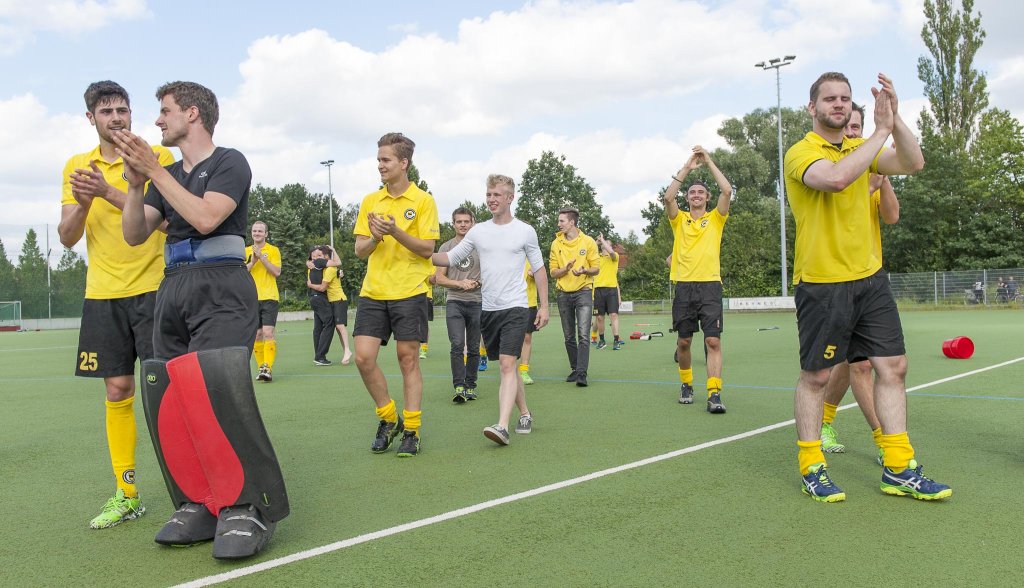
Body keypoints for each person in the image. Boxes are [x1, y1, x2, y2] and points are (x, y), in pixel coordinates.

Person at [118, 81, 288, 558]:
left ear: (192, 113)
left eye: (165, 110)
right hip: (174, 286)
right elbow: (134, 233)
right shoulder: (167, 175)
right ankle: (200, 500)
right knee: (173, 397)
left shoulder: (230, 162)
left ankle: (248, 506)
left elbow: (208, 218)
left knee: (216, 392)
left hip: (222, 285)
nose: (157, 120)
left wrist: (155, 170)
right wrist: (136, 184)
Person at [785, 71, 950, 503]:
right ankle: (812, 466)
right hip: (823, 283)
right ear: (812, 107)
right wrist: (878, 133)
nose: (839, 104)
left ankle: (898, 467)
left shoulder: (863, 148)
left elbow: (913, 162)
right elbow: (836, 178)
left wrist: (894, 119)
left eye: (845, 98)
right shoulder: (801, 152)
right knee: (817, 377)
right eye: (830, 99)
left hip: (870, 280)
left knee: (893, 367)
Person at [58, 80, 175, 530]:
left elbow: (171, 221)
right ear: (91, 118)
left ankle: (189, 490)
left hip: (155, 289)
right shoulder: (77, 166)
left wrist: (108, 192)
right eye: (106, 111)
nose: (116, 118)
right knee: (117, 390)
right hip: (103, 294)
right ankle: (127, 494)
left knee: (165, 391)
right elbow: (67, 237)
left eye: (122, 109)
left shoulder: (155, 156)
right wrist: (84, 201)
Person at [433, 174, 549, 446]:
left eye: (497, 194)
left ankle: (502, 426)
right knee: (509, 368)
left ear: (510, 197)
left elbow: (540, 269)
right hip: (489, 309)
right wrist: (415, 249)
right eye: (488, 194)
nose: (491, 199)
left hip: (516, 307)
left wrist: (544, 306)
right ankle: (525, 413)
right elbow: (449, 258)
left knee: (508, 364)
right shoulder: (478, 232)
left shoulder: (525, 231)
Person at [818, 102, 899, 455]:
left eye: (857, 127)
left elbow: (892, 217)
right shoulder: (828, 167)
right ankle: (884, 440)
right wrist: (865, 187)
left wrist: (883, 180)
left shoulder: (873, 165)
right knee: (859, 364)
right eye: (848, 127)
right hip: (833, 280)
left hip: (870, 279)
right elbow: (835, 208)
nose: (852, 132)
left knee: (852, 363)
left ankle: (824, 419)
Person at [352, 132, 439, 458]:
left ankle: (412, 430)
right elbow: (360, 250)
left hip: (410, 290)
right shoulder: (370, 201)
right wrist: (375, 238)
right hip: (374, 291)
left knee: (407, 359)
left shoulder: (423, 201)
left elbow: (427, 249)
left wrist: (394, 231)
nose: (380, 165)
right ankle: (389, 418)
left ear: (404, 163)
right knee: (363, 357)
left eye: (386, 159)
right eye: (378, 160)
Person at [664, 145, 732, 413]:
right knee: (684, 342)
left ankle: (714, 393)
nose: (696, 195)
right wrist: (687, 167)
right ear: (688, 197)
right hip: (684, 287)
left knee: (713, 341)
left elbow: (727, 191)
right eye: (692, 192)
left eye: (701, 192)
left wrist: (710, 161)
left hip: (710, 286)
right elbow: (668, 198)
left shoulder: (716, 219)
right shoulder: (679, 220)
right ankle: (686, 384)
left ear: (707, 197)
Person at [435, 207, 483, 403]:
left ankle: (470, 385)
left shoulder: (481, 246)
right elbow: (439, 278)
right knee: (457, 344)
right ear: (453, 224)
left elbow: (491, 273)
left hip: (477, 302)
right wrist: (460, 284)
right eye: (459, 221)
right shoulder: (446, 247)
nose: (463, 225)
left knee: (474, 347)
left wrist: (478, 283)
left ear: (473, 223)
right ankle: (459, 386)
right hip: (454, 301)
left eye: (466, 221)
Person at [549, 208, 599, 387]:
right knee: (569, 336)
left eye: (561, 221)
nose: (559, 224)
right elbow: (553, 272)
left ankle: (582, 373)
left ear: (572, 222)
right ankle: (575, 368)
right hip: (563, 293)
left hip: (584, 291)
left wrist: (585, 270)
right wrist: (565, 269)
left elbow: (596, 268)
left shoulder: (588, 241)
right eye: (559, 221)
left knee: (583, 335)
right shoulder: (556, 244)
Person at [246, 220, 281, 382]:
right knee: (257, 335)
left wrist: (262, 258)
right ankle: (262, 369)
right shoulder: (245, 250)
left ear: (266, 234)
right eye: (254, 231)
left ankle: (268, 367)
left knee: (268, 332)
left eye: (260, 231)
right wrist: (253, 261)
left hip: (269, 297)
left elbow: (276, 272)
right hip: (251, 298)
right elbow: (241, 273)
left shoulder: (273, 250)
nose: (257, 233)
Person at [593, 233, 623, 350]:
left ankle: (616, 340)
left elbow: (611, 252)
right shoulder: (596, 258)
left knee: (613, 315)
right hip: (598, 290)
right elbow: (588, 250)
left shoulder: (614, 256)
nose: (604, 245)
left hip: (611, 290)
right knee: (599, 317)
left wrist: (603, 240)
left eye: (607, 244)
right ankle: (602, 340)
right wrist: (596, 242)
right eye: (603, 244)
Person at [307, 246, 336, 366]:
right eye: (315, 255)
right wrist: (333, 252)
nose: (317, 257)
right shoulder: (319, 263)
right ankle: (320, 356)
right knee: (330, 323)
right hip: (320, 298)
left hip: (314, 298)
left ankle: (319, 356)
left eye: (319, 255)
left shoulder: (312, 265)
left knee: (318, 327)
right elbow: (336, 263)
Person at [518, 260, 540, 385]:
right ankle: (509, 368)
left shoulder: (532, 258)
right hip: (509, 302)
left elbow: (541, 278)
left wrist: (534, 274)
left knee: (527, 337)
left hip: (528, 302)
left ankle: (524, 370)